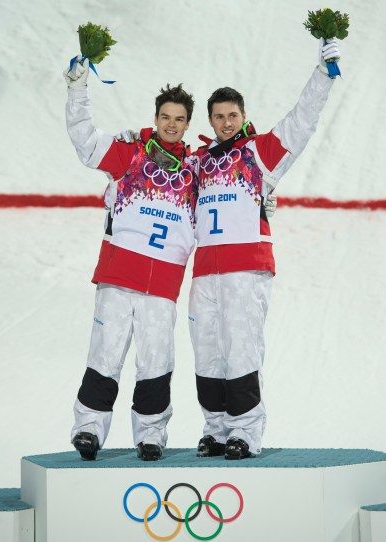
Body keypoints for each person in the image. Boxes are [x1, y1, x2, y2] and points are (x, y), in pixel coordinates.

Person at [189, 38, 342, 459]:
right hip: (205, 271)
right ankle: (216, 429)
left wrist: (322, 76)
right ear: (210, 119)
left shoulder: (258, 154)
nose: (225, 122)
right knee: (207, 349)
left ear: (243, 116)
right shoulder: (197, 162)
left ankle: (245, 432)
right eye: (218, 117)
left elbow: (300, 122)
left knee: (241, 347)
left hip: (245, 267)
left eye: (232, 115)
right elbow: (155, 182)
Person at [63, 56, 198, 461]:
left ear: (188, 123)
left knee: (156, 360)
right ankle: (88, 428)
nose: (171, 124)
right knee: (105, 352)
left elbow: (236, 188)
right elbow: (85, 139)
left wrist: (260, 202)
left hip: (162, 285)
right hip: (119, 275)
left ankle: (151, 435)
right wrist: (77, 88)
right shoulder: (130, 155)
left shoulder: (197, 169)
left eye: (179, 118)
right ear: (155, 118)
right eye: (165, 116)